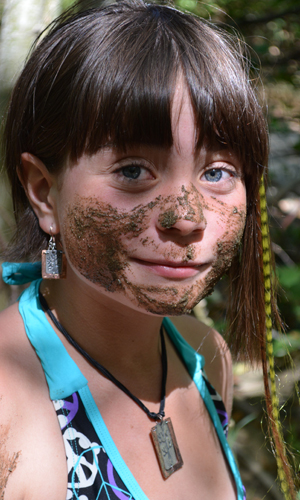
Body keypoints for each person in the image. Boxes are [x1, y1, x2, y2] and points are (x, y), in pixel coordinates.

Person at [0, 1, 295, 499]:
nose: (187, 218)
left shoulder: (205, 357)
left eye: (217, 172)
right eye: (133, 170)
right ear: (44, 191)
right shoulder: (10, 403)